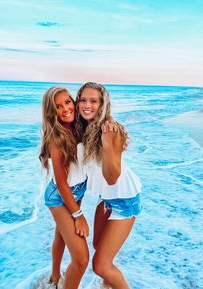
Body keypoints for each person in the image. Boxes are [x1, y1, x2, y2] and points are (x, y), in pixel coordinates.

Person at [75, 82, 142, 289]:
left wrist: (106, 144)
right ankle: (109, 285)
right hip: (106, 198)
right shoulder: (84, 127)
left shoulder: (112, 130)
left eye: (93, 101)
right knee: (97, 246)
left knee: (101, 265)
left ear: (102, 104)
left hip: (125, 199)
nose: (87, 105)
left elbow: (112, 177)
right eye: (83, 100)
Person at [39, 86, 89, 289]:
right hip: (60, 196)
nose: (65, 109)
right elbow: (61, 183)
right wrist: (78, 215)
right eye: (58, 107)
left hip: (77, 190)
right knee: (81, 259)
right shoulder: (57, 138)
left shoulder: (80, 127)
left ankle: (53, 279)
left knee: (60, 235)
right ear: (52, 112)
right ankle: (57, 281)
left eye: (68, 102)